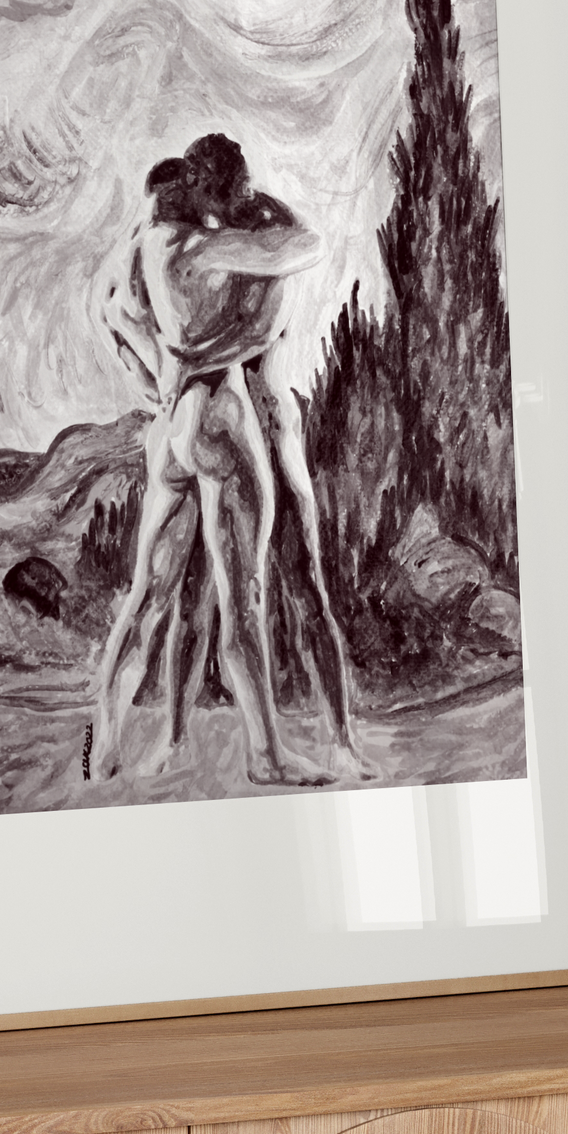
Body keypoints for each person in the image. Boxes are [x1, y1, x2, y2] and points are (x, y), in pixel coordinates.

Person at [90, 133, 336, 788]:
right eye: (232, 194)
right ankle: (268, 756)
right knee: (243, 597)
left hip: (172, 423)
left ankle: (104, 750)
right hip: (220, 416)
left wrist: (160, 374)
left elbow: (111, 313)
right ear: (212, 191)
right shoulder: (207, 247)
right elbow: (305, 244)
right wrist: (237, 337)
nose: (235, 207)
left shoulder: (144, 252)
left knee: (147, 596)